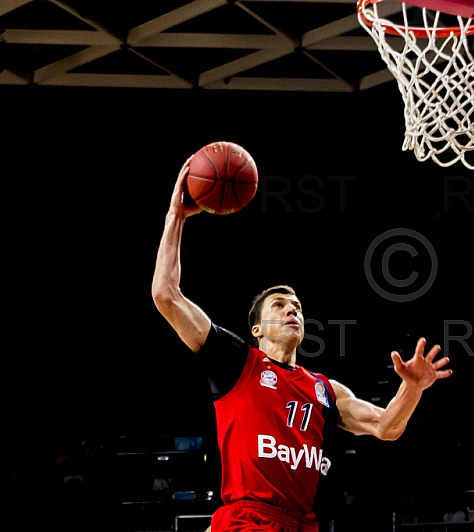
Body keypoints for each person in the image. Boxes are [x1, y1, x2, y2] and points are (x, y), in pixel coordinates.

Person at [152, 155, 453, 532]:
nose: (292, 311)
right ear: (257, 330)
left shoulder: (325, 390)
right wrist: (176, 218)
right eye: (279, 306)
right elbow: (166, 294)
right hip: (245, 520)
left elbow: (386, 427)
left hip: (301, 525)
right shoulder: (237, 362)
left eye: (296, 306)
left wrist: (412, 388)